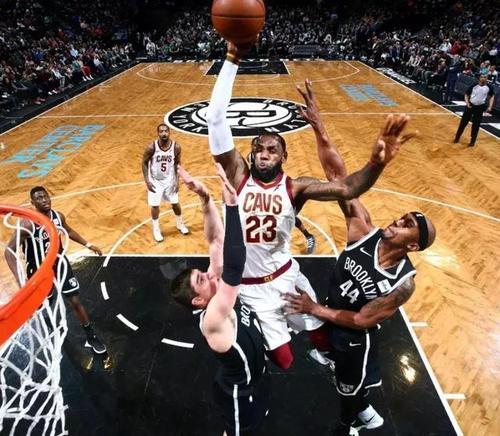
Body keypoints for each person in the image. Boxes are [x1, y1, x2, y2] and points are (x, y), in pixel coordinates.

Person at [204, 42, 417, 370]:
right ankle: (260, 332)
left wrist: (377, 163)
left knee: (320, 333)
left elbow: (348, 187)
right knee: (283, 361)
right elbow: (215, 118)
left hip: (284, 276)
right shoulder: (237, 174)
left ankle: (326, 357)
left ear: (283, 157)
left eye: (272, 150)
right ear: (250, 152)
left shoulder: (296, 187)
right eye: (258, 148)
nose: (263, 154)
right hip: (248, 286)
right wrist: (232, 59)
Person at [284, 85, 436, 436]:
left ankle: (349, 424)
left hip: (353, 339)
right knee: (322, 346)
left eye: (406, 225)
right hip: (330, 316)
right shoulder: (363, 231)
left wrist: (314, 308)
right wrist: (319, 127)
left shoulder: (402, 284)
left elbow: (362, 320)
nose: (398, 221)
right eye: (402, 217)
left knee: (348, 390)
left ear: (413, 246)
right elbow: (338, 179)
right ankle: (342, 378)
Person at [171, 164, 269, 436]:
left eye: (201, 272)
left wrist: (205, 198)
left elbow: (216, 241)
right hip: (239, 393)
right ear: (198, 301)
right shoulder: (213, 315)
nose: (207, 274)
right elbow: (235, 265)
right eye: (201, 280)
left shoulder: (213, 290)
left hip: (257, 379)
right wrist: (232, 206)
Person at [4, 186, 107, 354]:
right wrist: (20, 279)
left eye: (45, 196)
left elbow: (69, 230)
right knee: (42, 306)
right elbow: (9, 252)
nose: (44, 200)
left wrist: (88, 245)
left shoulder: (58, 216)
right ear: (32, 203)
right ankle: (46, 327)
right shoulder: (28, 224)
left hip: (59, 263)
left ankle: (91, 336)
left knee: (75, 301)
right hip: (39, 271)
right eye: (39, 198)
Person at [142, 123, 189, 242]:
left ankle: (180, 224)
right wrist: (147, 181)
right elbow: (144, 163)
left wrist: (177, 181)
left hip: (169, 179)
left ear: (169, 132)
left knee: (175, 203)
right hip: (155, 180)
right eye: (161, 131)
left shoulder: (176, 147)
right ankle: (156, 229)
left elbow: (177, 164)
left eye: (166, 131)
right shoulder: (152, 147)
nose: (164, 133)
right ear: (158, 133)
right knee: (155, 206)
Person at [453, 74, 495, 147]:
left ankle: (472, 141)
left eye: (485, 77)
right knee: (463, 122)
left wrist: (490, 106)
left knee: (476, 125)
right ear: (479, 78)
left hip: (480, 107)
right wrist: (467, 103)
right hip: (471, 106)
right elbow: (466, 94)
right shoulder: (474, 85)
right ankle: (457, 137)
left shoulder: (489, 87)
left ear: (487, 78)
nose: (483, 78)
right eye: (482, 77)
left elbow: (492, 96)